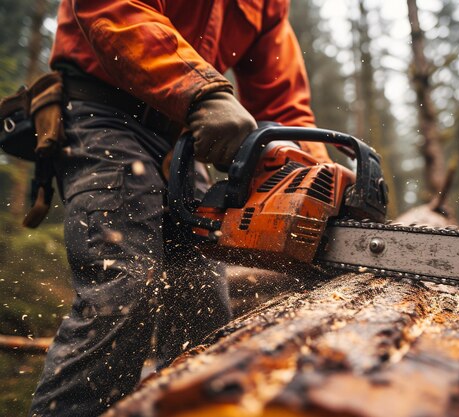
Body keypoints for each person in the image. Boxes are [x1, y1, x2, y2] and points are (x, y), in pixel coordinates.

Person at [29, 1, 330, 416]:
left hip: (183, 133)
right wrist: (203, 91)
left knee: (201, 301)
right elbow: (113, 10)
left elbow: (282, 99)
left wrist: (315, 173)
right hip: (101, 109)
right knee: (124, 287)